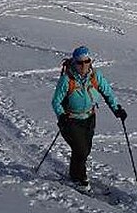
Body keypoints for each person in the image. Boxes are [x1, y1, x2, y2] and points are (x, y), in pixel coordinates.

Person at [51, 45, 127, 187]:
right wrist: (61, 116)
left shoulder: (95, 77)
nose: (84, 65)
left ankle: (74, 173)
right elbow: (56, 101)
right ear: (74, 63)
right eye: (80, 62)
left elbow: (108, 92)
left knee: (84, 149)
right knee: (81, 149)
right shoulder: (67, 80)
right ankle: (80, 179)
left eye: (87, 61)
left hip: (89, 118)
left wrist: (117, 109)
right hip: (70, 120)